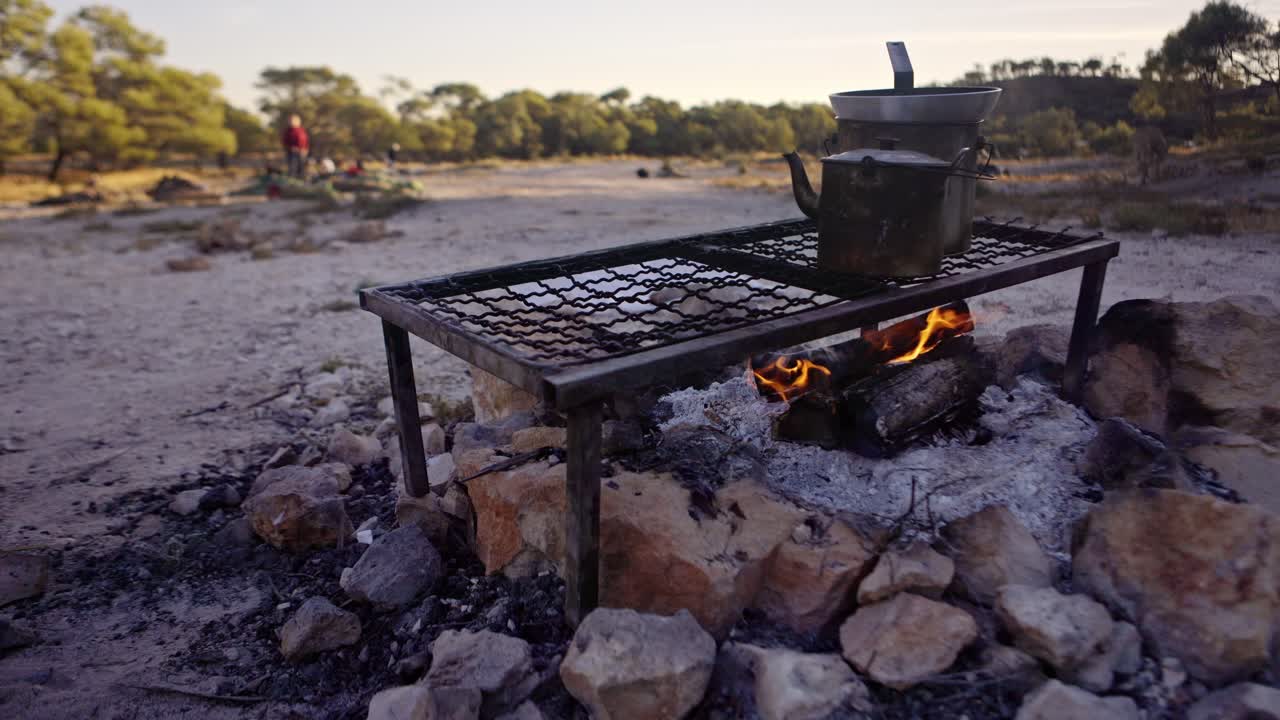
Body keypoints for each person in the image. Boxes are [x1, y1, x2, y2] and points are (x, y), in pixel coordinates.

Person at [281, 114, 309, 178]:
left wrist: (306, 149)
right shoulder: (288, 131)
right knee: (293, 167)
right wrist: (290, 148)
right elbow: (285, 142)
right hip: (292, 152)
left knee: (301, 166)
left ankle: (301, 179)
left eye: (294, 121)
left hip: (302, 151)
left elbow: (306, 141)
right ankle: (292, 179)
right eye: (291, 121)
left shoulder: (301, 130)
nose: (292, 122)